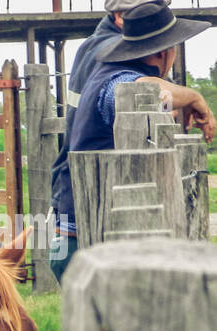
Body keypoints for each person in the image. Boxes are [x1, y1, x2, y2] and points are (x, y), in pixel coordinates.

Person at [48, 3, 214, 283]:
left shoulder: (109, 67)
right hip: (88, 234)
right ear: (164, 51)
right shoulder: (115, 78)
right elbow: (135, 91)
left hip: (88, 226)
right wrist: (195, 98)